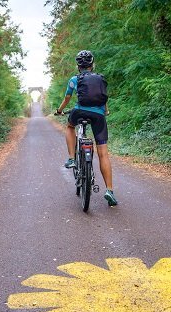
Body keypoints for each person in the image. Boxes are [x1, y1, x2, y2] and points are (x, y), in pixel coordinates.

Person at [55, 50, 118, 206]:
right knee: (103, 154)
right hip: (98, 116)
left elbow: (67, 98)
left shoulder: (74, 79)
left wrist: (59, 111)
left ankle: (71, 158)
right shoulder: (100, 79)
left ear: (78, 66)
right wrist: (105, 110)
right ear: (92, 65)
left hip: (79, 111)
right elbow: (103, 98)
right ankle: (109, 190)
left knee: (70, 126)